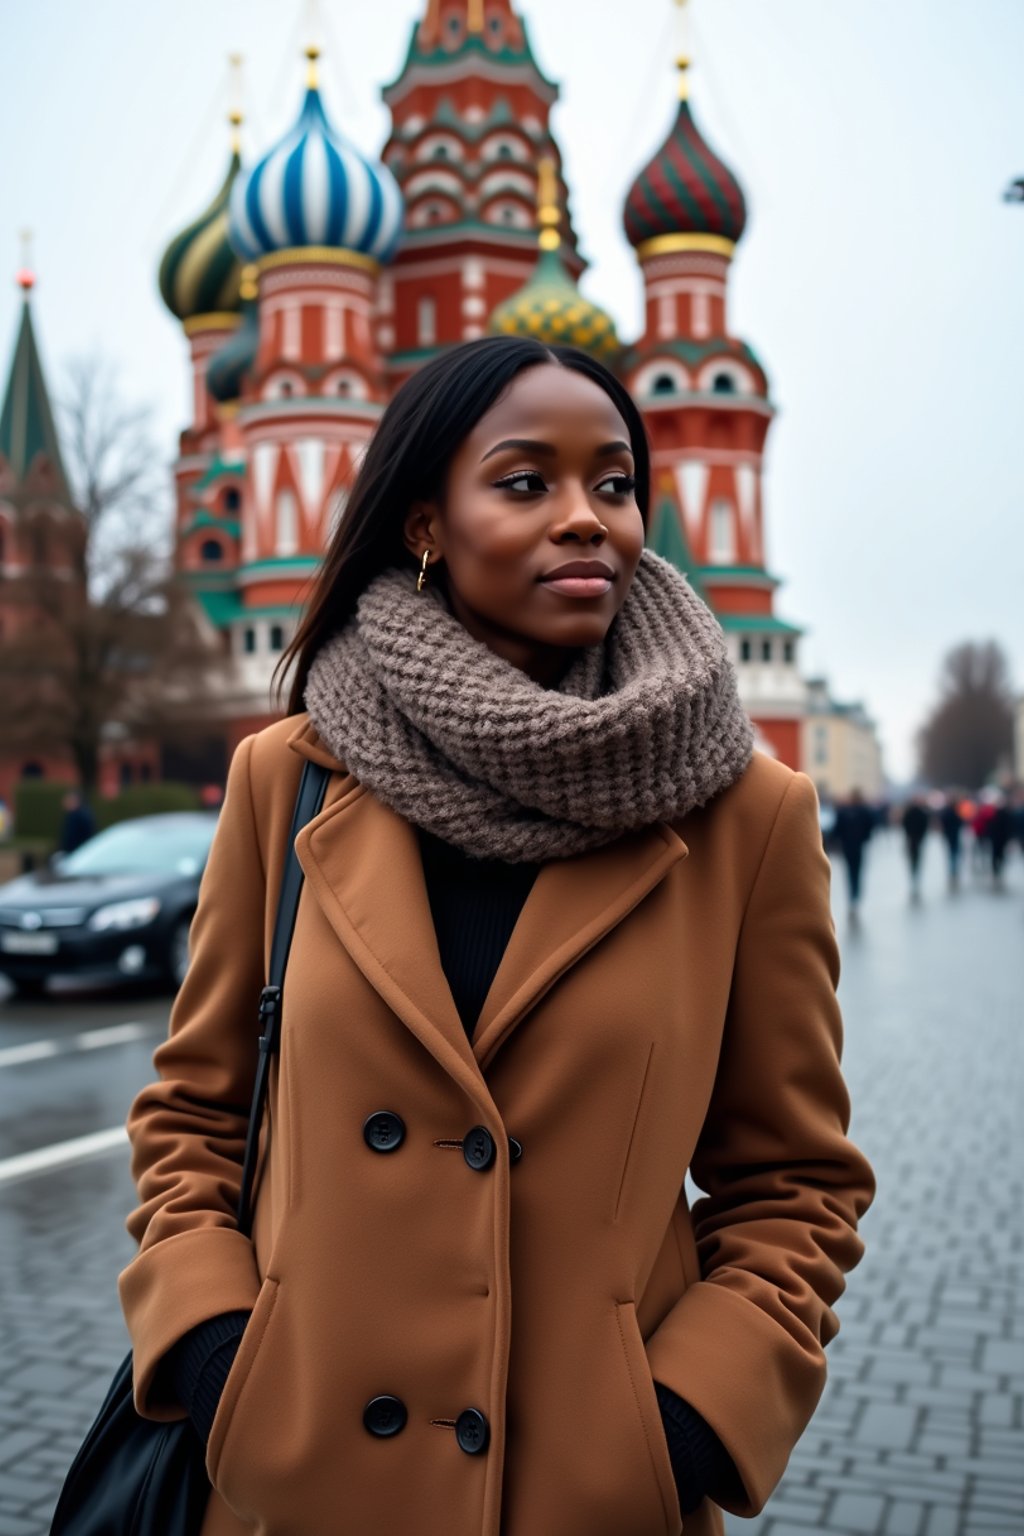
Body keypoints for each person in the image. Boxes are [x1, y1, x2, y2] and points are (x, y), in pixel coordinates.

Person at [117, 338, 874, 1536]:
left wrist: (676, 1427)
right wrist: (217, 1357)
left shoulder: (745, 814)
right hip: (293, 1479)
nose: (587, 520)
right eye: (526, 483)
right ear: (426, 520)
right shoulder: (289, 778)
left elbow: (793, 1184)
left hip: (586, 1497)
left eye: (614, 484)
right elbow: (194, 1115)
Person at [832, 787, 875, 919]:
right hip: (854, 846)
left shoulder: (848, 811)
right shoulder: (859, 811)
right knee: (855, 872)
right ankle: (854, 896)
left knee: (852, 872)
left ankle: (853, 896)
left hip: (851, 846)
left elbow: (838, 829)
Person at [901, 795, 930, 900]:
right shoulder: (921, 813)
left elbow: (904, 825)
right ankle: (916, 878)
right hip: (917, 840)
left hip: (912, 840)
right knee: (917, 861)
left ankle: (914, 878)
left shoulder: (909, 813)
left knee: (913, 861)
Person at [937, 793, 965, 889]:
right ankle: (953, 871)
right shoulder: (957, 811)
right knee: (955, 854)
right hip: (954, 835)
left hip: (949, 836)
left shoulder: (946, 811)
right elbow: (961, 822)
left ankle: (952, 871)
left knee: (952, 855)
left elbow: (942, 823)